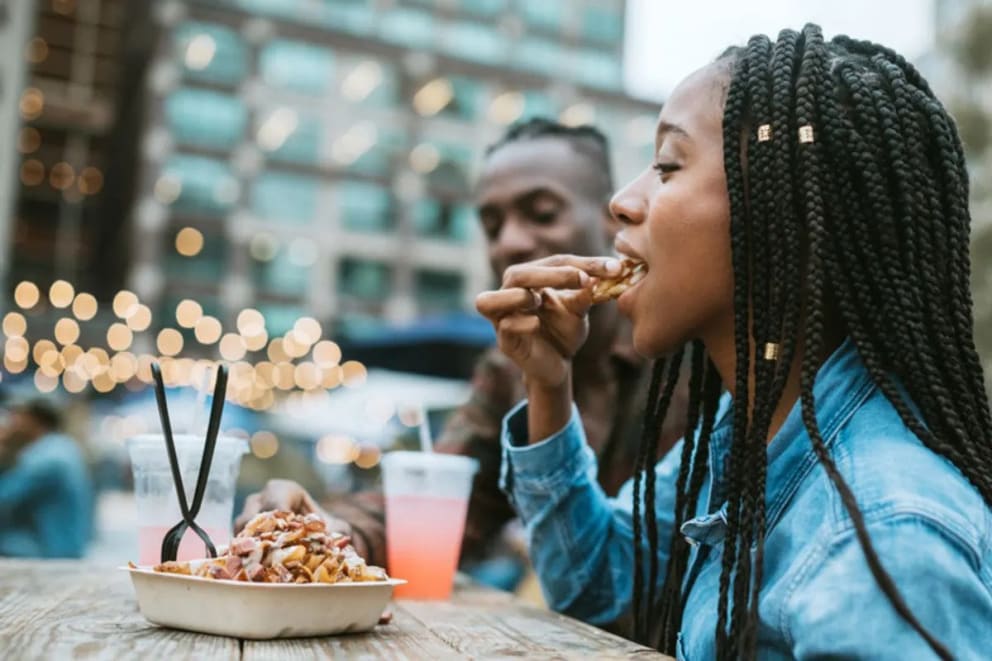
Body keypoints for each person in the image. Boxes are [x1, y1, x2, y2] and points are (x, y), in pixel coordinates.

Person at [476, 25, 992, 659]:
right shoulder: (755, 429)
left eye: (667, 166)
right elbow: (600, 585)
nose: (623, 201)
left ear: (783, 218)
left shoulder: (884, 533)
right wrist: (549, 384)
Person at [239, 119, 688, 594]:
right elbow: (441, 496)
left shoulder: (685, 351)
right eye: (492, 225)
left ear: (611, 215)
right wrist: (324, 529)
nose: (510, 242)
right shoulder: (507, 368)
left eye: (541, 213)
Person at [0, 398, 92, 558]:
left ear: (32, 419)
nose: (10, 423)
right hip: (66, 544)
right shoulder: (63, 446)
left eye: (16, 416)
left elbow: (5, 496)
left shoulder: (47, 459)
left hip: (53, 549)